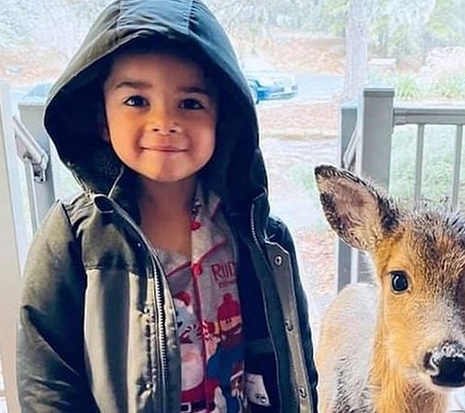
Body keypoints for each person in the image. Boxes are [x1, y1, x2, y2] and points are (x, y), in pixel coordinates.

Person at [16, 1, 318, 412]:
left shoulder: (260, 236)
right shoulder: (74, 237)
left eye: (190, 103)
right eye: (136, 101)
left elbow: (295, 360)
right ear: (102, 120)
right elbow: (46, 379)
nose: (164, 122)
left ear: (222, 119)